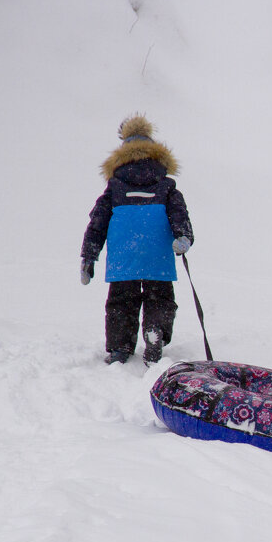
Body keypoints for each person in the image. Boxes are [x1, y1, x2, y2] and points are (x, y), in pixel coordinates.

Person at [80, 114, 195, 364]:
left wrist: (89, 255)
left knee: (122, 299)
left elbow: (97, 221)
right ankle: (156, 330)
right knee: (160, 295)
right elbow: (179, 212)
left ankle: (120, 347)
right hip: (157, 249)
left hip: (124, 251)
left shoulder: (115, 185)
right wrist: (183, 237)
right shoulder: (165, 184)